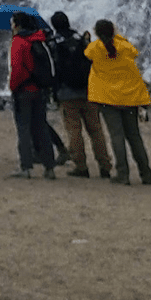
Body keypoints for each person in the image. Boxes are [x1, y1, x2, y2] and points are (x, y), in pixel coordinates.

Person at [86, 18, 151, 186]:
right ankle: (146, 174)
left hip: (108, 99)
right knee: (134, 137)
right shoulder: (124, 47)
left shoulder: (95, 48)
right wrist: (119, 38)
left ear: (96, 33)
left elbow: (87, 53)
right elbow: (134, 52)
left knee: (117, 137)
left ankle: (123, 174)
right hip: (130, 98)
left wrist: (88, 40)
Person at [48, 10, 111, 179]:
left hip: (66, 93)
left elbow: (53, 69)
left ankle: (81, 166)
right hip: (88, 91)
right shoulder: (81, 39)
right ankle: (105, 165)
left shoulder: (54, 42)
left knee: (74, 131)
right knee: (96, 130)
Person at [7, 13, 57, 179]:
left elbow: (17, 68)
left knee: (24, 128)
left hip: (24, 90)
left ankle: (26, 167)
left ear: (17, 25)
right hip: (41, 89)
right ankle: (49, 167)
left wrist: (13, 87)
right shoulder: (40, 39)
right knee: (41, 127)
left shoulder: (19, 42)